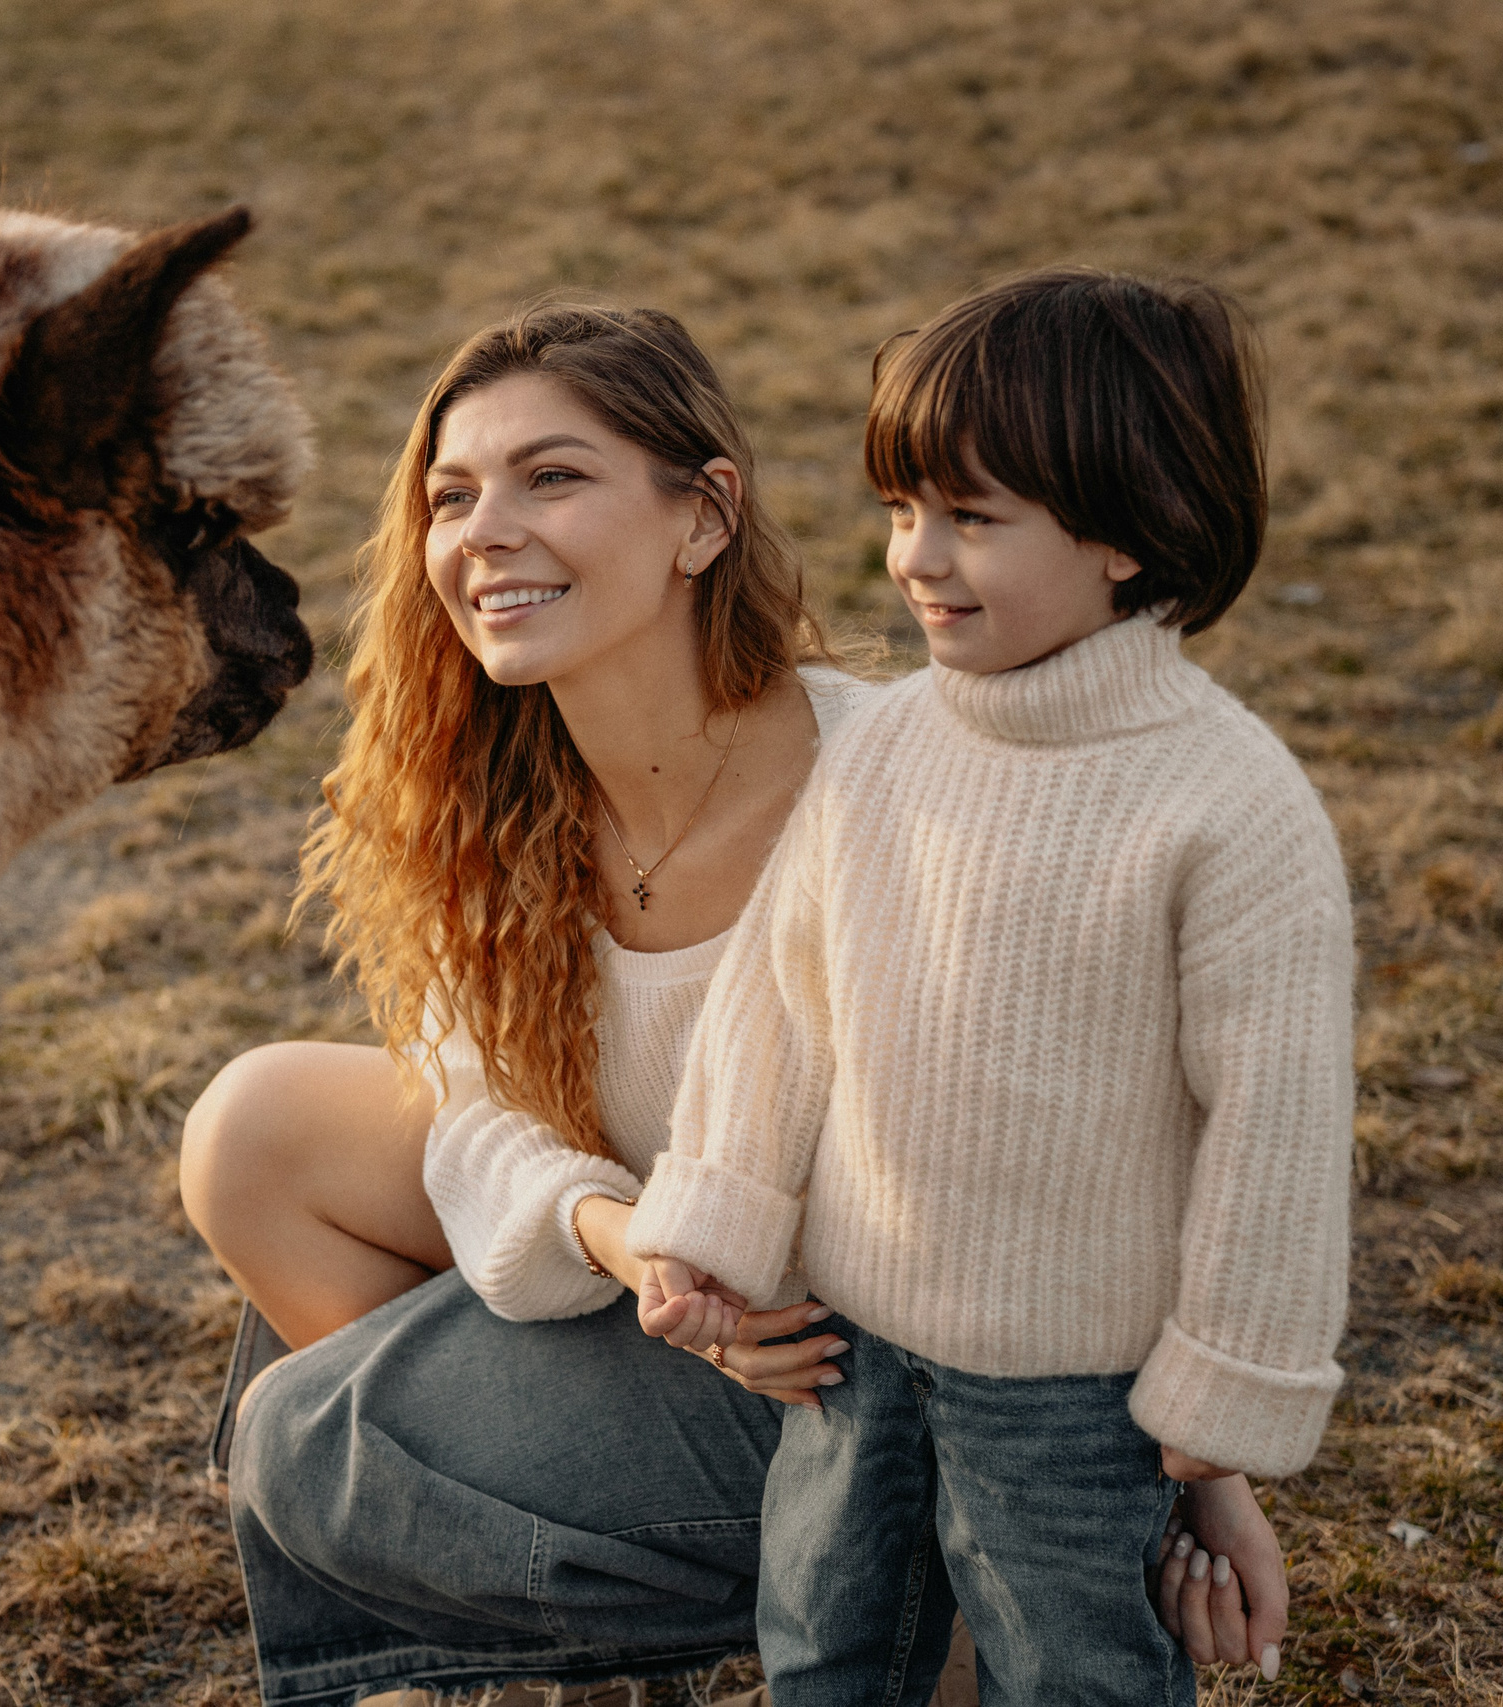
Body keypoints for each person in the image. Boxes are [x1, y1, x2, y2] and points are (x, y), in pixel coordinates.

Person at [180, 302, 1289, 1707]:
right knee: (258, 1129)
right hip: (686, 1295)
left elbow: (1096, 1143)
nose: (482, 532)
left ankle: (912, 1599)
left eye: (554, 478)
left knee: (301, 1440)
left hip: (882, 1373)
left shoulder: (898, 779)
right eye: (451, 496)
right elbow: (472, 1109)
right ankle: (614, 1557)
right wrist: (625, 1233)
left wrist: (1202, 1480)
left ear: (704, 518)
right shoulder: (488, 800)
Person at [628, 268, 1344, 1704]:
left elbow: (1277, 1120)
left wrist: (1231, 1381)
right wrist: (713, 1212)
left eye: (973, 518)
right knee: (826, 1646)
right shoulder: (889, 744)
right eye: (904, 511)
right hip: (851, 1348)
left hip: (1074, 1394)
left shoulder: (1226, 804)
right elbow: (784, 995)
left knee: (1075, 1668)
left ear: (1130, 541)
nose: (917, 558)